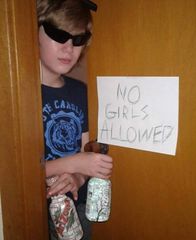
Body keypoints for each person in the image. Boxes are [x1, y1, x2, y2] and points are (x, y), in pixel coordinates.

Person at [37, 0, 113, 239]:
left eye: (78, 40)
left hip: (76, 206)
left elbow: (84, 156)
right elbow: (16, 173)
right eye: (59, 35)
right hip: (34, 212)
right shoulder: (17, 97)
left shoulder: (80, 91)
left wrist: (78, 177)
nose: (69, 48)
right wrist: (75, 163)